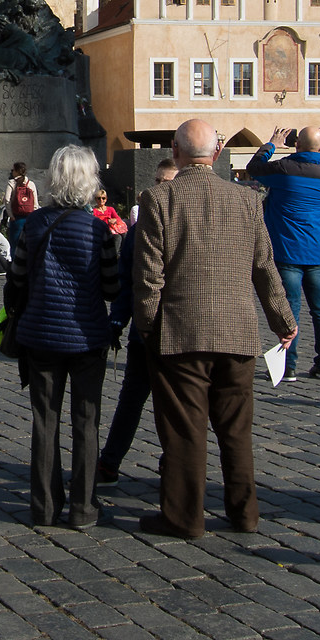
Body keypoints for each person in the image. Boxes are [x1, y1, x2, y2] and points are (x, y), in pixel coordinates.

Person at [133, 119, 297, 538]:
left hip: (182, 334)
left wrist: (148, 328)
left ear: (174, 151)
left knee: (186, 432)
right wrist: (284, 321)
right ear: (218, 153)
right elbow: (264, 267)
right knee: (236, 431)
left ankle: (184, 517)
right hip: (237, 333)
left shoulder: (159, 198)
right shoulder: (246, 200)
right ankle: (245, 513)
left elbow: (150, 278)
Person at [11, 145, 123, 530]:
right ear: (89, 181)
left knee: (45, 422)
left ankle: (43, 507)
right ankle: (83, 508)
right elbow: (111, 288)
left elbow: (18, 278)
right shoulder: (97, 229)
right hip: (87, 337)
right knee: (86, 423)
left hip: (40, 336)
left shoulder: (35, 225)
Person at [99, 158, 179, 484]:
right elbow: (125, 281)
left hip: (177, 333)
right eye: (157, 181)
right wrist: (117, 321)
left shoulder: (185, 228)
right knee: (131, 398)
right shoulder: (137, 230)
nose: (158, 188)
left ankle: (173, 460)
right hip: (144, 334)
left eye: (166, 183)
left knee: (173, 404)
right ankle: (109, 462)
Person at [247, 127, 320, 380]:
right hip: (319, 250)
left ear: (297, 144)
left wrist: (272, 145)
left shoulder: (284, 168)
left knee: (290, 309)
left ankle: (288, 367)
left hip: (288, 249)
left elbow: (254, 168)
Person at [8, 162, 39, 242]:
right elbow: (35, 202)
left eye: (13, 170)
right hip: (30, 217)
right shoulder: (31, 184)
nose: (12, 172)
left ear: (17, 171)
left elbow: (7, 200)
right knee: (28, 243)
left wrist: (11, 215)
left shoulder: (12, 183)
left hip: (16, 217)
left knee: (15, 243)